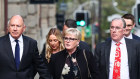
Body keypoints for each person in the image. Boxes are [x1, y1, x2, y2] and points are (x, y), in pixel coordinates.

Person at [0, 15, 51, 79]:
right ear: (8, 28)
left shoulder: (31, 44)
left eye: (18, 26)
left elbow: (40, 67)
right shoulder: (1, 43)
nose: (15, 29)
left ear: (24, 28)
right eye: (12, 25)